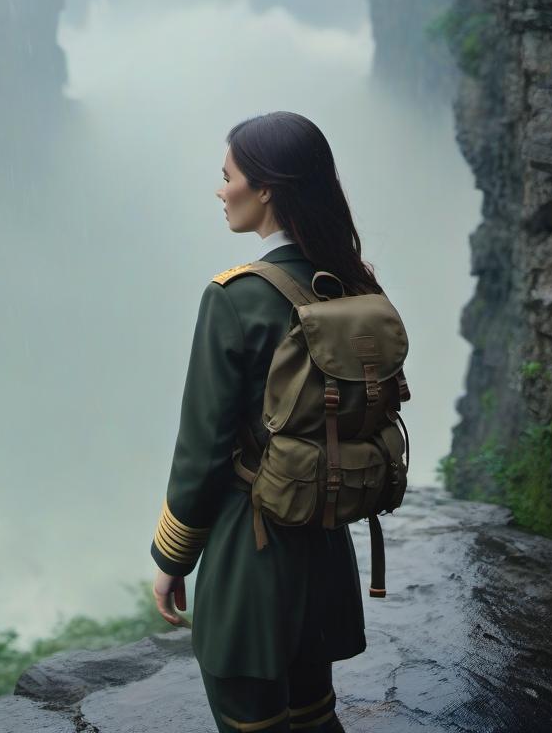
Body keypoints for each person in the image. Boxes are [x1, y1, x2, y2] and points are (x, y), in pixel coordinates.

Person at [150, 111, 385, 732]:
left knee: (251, 724)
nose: (220, 190)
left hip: (250, 560)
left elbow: (202, 452)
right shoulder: (350, 282)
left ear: (266, 190)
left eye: (227, 176)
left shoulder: (236, 298)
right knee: (313, 718)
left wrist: (171, 558)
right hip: (325, 548)